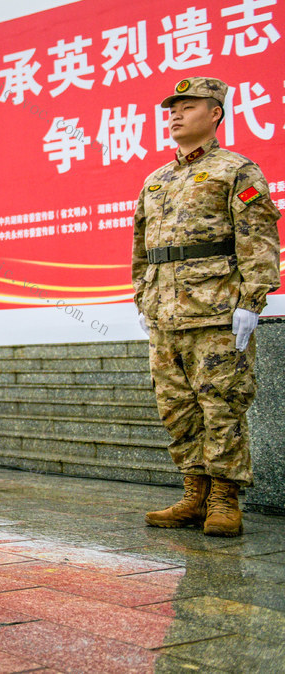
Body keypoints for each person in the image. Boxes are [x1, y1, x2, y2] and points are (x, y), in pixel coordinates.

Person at [132, 77, 281, 537]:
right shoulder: (156, 180)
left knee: (222, 405)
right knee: (176, 408)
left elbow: (259, 238)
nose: (175, 115)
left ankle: (224, 498)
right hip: (165, 315)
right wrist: (143, 294)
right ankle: (194, 493)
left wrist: (252, 301)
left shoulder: (236, 170)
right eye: (171, 109)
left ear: (215, 113)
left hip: (217, 312)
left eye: (188, 106)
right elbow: (141, 245)